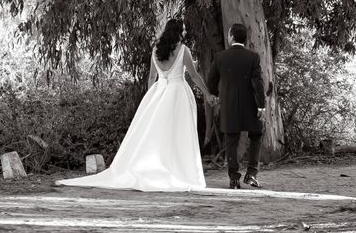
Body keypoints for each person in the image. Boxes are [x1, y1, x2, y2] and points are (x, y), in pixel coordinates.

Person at [56, 19, 215, 192]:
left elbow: (151, 77)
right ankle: (178, 170)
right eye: (183, 30)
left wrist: (151, 99)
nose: (185, 33)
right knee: (178, 133)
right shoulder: (183, 51)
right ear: (178, 32)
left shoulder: (156, 50)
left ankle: (156, 167)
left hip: (159, 91)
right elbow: (194, 75)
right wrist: (207, 93)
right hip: (178, 94)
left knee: (157, 133)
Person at [206, 23, 266, 189]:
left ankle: (234, 179)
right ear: (245, 38)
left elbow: (211, 82)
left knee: (231, 141)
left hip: (229, 105)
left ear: (231, 36)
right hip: (251, 105)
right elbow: (258, 83)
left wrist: (215, 95)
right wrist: (261, 106)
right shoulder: (253, 57)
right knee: (256, 135)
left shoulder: (220, 57)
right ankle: (252, 174)